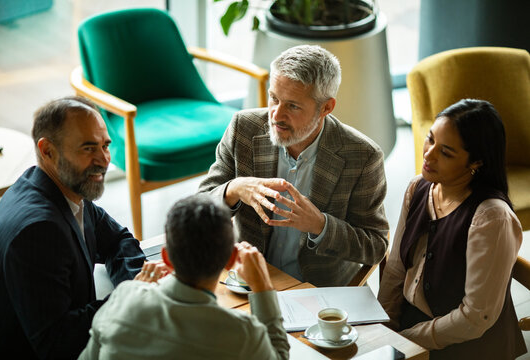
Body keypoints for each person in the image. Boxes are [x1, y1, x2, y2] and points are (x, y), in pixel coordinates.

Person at [198, 45, 389, 287]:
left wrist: (320, 224)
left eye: (293, 106)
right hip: (245, 282)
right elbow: (199, 208)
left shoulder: (363, 156)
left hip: (316, 293)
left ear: (326, 108)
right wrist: (234, 189)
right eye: (274, 98)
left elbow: (375, 246)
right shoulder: (242, 129)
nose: (276, 115)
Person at [0, 96, 147, 359]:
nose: (104, 160)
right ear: (47, 150)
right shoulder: (38, 232)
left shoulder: (59, 189)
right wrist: (131, 298)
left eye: (105, 146)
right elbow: (57, 343)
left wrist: (136, 285)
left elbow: (118, 240)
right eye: (88, 148)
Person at [377, 99, 527, 359]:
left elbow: (474, 318)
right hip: (412, 330)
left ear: (476, 162)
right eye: (430, 139)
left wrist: (404, 341)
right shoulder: (418, 188)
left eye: (446, 152)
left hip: (467, 346)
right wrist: (383, 328)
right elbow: (396, 267)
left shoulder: (491, 218)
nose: (428, 154)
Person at [79, 194, 290, 360]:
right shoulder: (243, 335)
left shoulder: (122, 297)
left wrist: (133, 291)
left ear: (166, 257)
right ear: (230, 259)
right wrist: (263, 288)